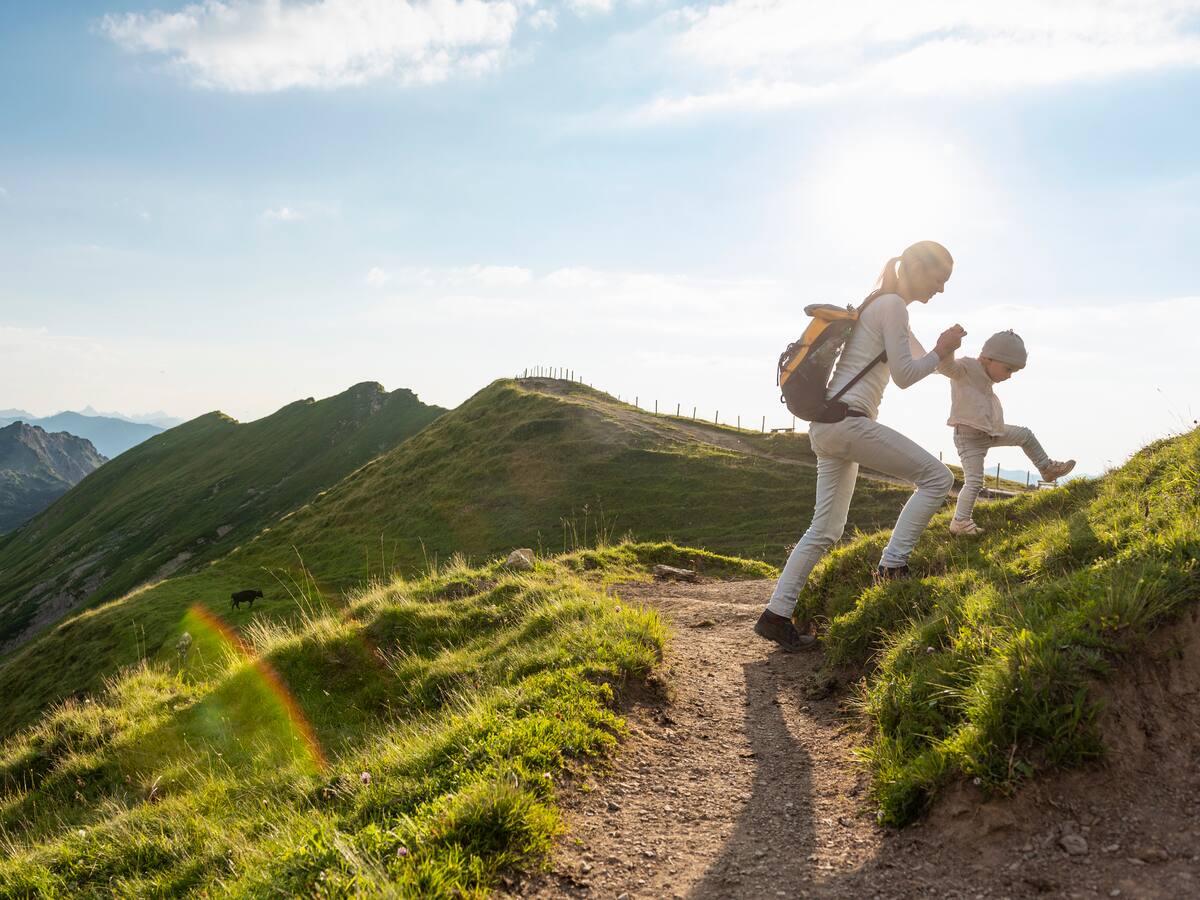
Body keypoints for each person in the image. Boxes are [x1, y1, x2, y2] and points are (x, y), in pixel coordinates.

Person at [754, 240, 964, 652]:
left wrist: (957, 360)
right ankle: (892, 566)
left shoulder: (882, 306)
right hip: (849, 422)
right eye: (938, 279)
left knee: (825, 529)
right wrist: (940, 351)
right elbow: (906, 375)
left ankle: (776, 616)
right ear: (916, 269)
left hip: (829, 427)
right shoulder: (893, 307)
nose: (940, 289)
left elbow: (930, 362)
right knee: (938, 478)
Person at [938, 330, 1075, 536]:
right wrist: (949, 348)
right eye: (1008, 369)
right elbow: (945, 367)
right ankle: (960, 522)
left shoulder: (986, 374)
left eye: (1014, 372)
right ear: (987, 358)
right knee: (974, 482)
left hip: (992, 430)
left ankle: (1046, 469)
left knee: (1025, 435)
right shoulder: (966, 368)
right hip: (968, 438)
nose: (1009, 376)